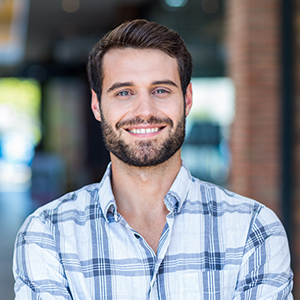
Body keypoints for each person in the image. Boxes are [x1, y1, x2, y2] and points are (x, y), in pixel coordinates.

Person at [13, 19, 293, 299]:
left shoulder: (253, 230)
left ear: (187, 99)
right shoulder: (47, 233)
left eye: (160, 90)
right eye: (124, 92)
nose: (145, 110)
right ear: (97, 105)